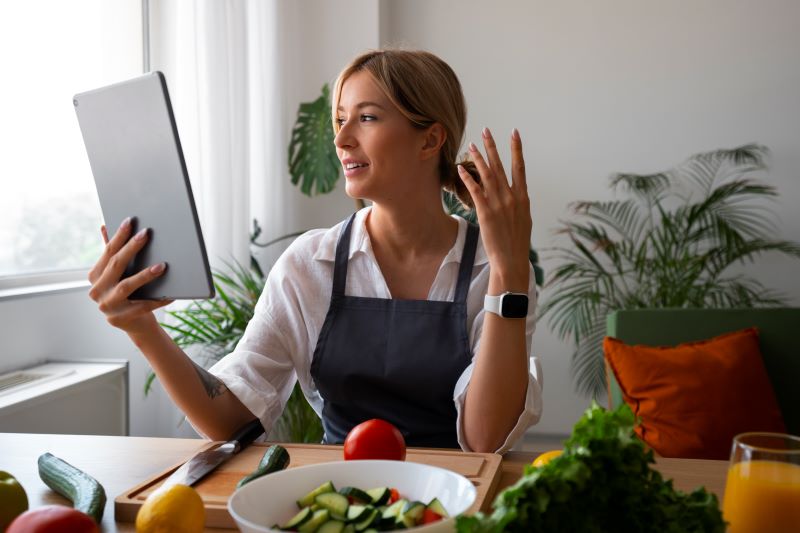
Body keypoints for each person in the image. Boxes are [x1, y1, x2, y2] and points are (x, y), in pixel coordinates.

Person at [88, 49, 542, 453]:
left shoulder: (492, 268)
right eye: (340, 119)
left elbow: (487, 438)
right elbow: (232, 420)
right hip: (341, 500)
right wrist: (142, 327)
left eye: (366, 117)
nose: (342, 139)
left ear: (430, 139)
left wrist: (507, 269)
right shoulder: (310, 264)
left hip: (457, 502)